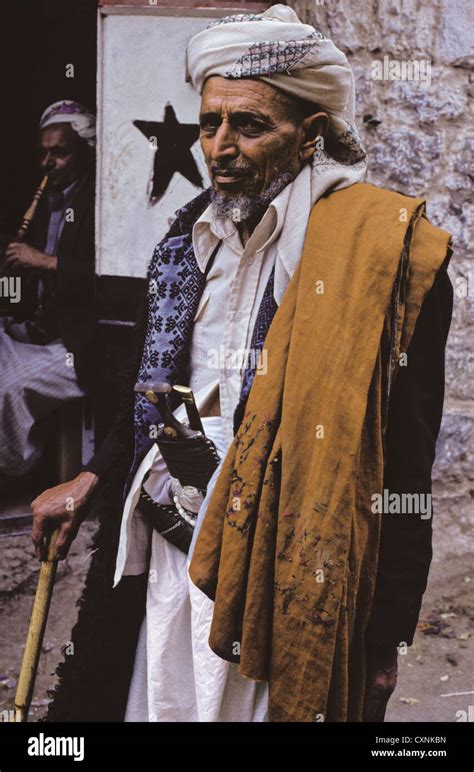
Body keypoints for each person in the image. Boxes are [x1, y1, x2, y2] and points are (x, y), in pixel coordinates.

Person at [35, 7, 452, 723]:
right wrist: (94, 476)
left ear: (311, 135)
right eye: (209, 125)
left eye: (248, 125)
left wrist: (386, 632)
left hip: (287, 578)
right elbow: (156, 396)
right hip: (170, 566)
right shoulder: (184, 241)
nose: (219, 147)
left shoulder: (384, 256)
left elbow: (404, 462)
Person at [0, 100, 96, 477]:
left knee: (9, 385)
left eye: (60, 153)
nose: (48, 163)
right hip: (46, 332)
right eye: (43, 153)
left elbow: (105, 281)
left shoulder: (99, 202)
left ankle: (12, 473)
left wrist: (41, 261)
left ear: (84, 153)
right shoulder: (47, 203)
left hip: (81, 347)